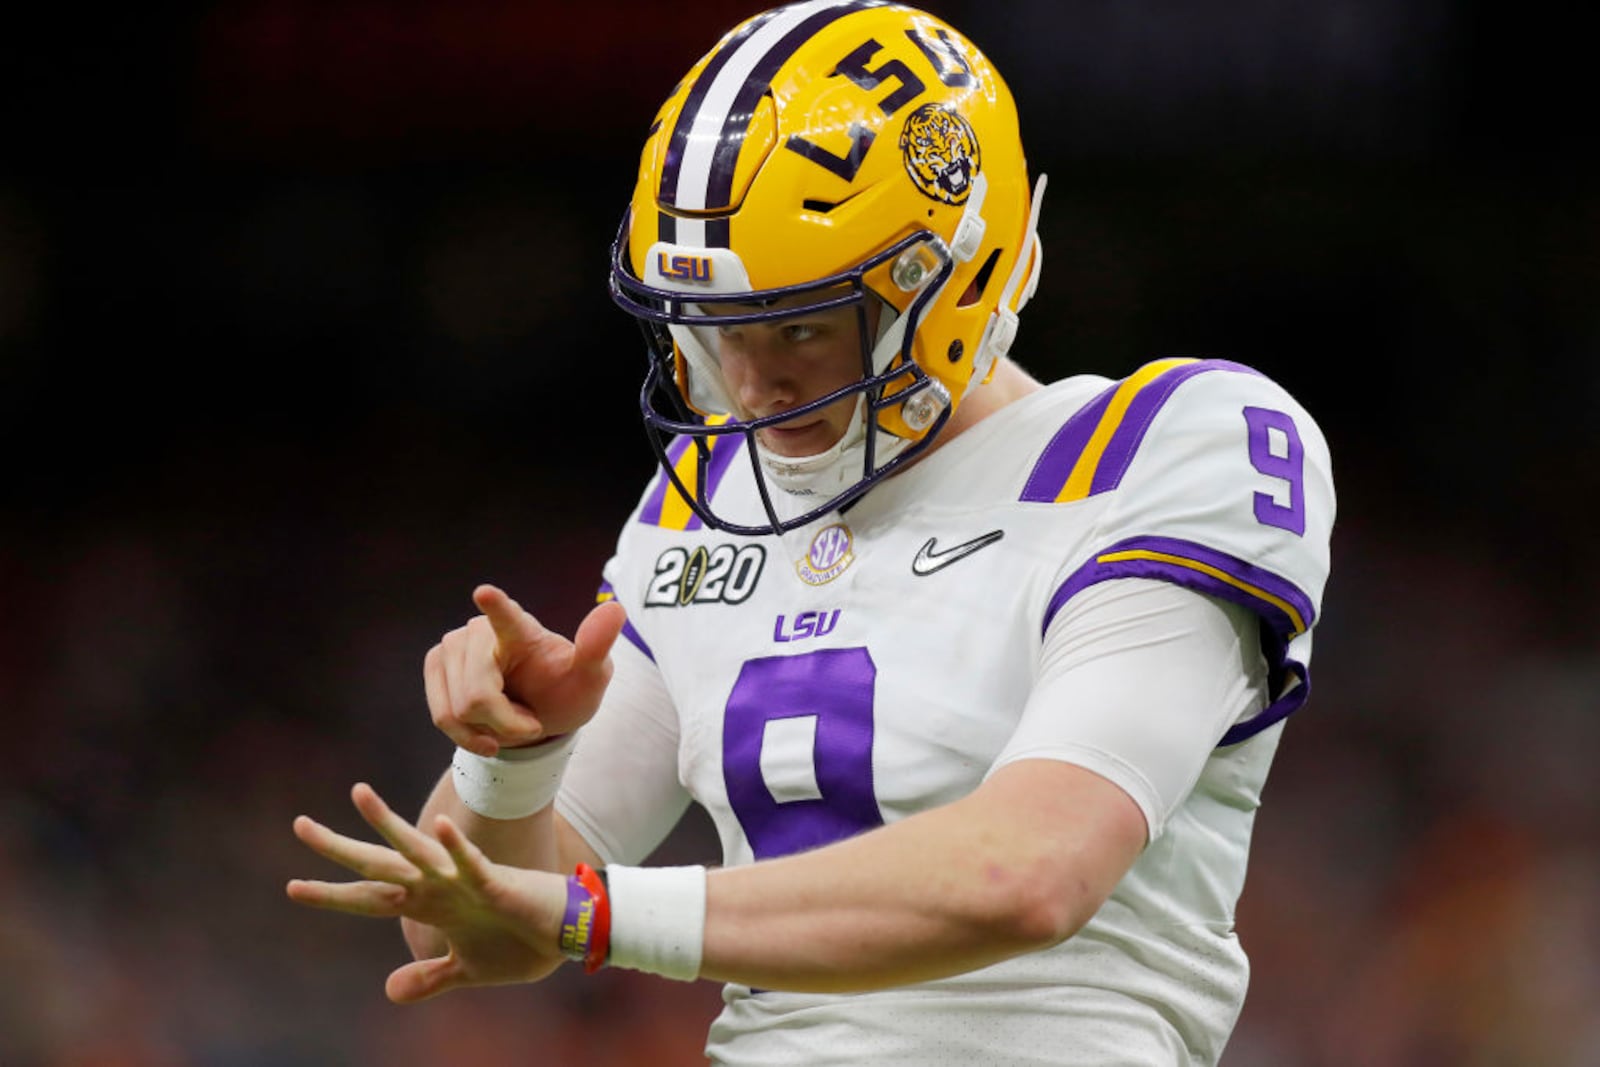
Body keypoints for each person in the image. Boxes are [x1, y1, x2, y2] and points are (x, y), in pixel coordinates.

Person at [287, 2, 1336, 1063]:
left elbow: (1028, 872)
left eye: (798, 325)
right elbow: (469, 931)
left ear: (952, 279)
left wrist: (596, 915)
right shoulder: (706, 492)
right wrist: (513, 758)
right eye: (716, 330)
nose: (749, 387)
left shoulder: (1168, 444)